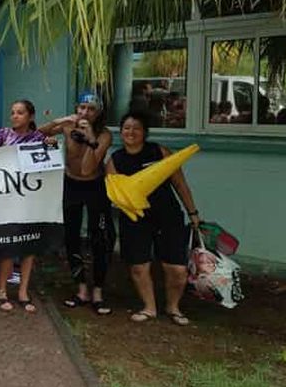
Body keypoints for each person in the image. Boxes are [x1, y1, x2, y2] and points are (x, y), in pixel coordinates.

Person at [107, 111, 201, 326]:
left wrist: (193, 213)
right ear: (121, 132)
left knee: (176, 268)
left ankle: (173, 307)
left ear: (145, 132)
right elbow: (114, 194)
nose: (131, 132)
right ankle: (149, 307)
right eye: (126, 128)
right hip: (135, 219)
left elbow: (180, 184)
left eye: (136, 128)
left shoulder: (160, 152)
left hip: (168, 216)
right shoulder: (115, 160)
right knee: (138, 266)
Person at [39, 93, 114, 315]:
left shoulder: (104, 134)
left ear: (98, 113)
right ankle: (81, 288)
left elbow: (88, 168)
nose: (85, 113)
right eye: (82, 107)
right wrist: (61, 121)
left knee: (100, 237)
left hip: (95, 186)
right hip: (71, 185)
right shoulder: (68, 126)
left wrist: (90, 137)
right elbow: (39, 132)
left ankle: (98, 290)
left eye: (90, 109)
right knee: (71, 236)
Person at [0, 100, 50, 313]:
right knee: (8, 243)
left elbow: (48, 166)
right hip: (7, 197)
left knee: (29, 245)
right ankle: (1, 290)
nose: (15, 116)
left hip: (30, 197)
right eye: (12, 112)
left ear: (30, 116)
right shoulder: (2, 134)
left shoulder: (38, 138)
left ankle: (23, 291)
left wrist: (51, 146)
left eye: (20, 113)